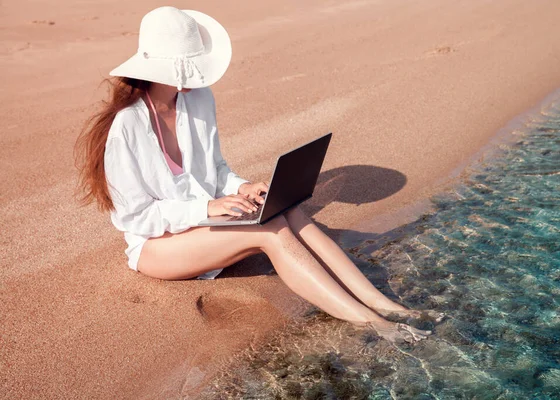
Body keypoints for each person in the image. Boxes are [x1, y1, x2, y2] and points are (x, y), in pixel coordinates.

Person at [75, 6, 440, 343]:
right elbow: (135, 218)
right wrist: (208, 208)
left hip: (206, 225)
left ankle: (388, 306)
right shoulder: (124, 128)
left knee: (287, 208)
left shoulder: (198, 99)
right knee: (272, 233)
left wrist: (242, 187)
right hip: (158, 246)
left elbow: (216, 170)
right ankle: (372, 323)